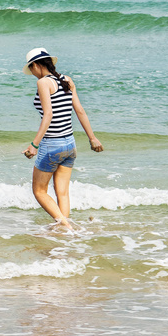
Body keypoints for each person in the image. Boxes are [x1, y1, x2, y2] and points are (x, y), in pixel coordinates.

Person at [20, 48, 103, 227]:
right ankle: (64, 234)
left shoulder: (43, 83)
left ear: (35, 65)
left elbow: (48, 115)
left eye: (31, 69)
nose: (33, 74)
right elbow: (79, 111)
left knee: (39, 191)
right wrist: (92, 138)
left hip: (52, 145)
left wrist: (34, 145)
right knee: (62, 193)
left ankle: (66, 227)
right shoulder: (67, 80)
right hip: (70, 144)